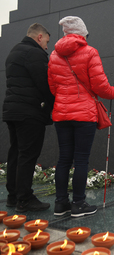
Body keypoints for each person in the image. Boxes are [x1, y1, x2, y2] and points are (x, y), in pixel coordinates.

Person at [48, 16, 114, 217]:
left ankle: (61, 204)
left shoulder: (54, 56)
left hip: (61, 114)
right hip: (84, 115)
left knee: (63, 159)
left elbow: (53, 88)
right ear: (82, 33)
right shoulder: (89, 52)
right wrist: (112, 92)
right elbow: (100, 86)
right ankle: (78, 204)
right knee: (81, 160)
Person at [2, 23, 54, 212]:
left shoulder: (14, 52)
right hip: (30, 112)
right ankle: (24, 198)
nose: (47, 47)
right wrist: (54, 105)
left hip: (12, 111)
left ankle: (13, 195)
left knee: (16, 152)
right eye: (47, 41)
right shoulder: (34, 53)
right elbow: (45, 84)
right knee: (28, 154)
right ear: (39, 37)